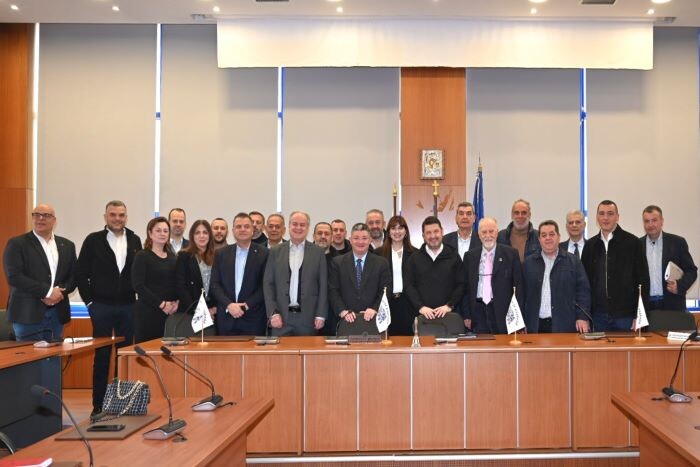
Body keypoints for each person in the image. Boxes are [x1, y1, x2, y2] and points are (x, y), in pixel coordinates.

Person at [76, 200, 142, 416]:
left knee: (124, 357)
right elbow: (80, 274)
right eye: (113, 215)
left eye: (121, 215)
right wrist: (90, 303)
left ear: (126, 217)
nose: (117, 219)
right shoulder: (93, 240)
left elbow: (138, 274)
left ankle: (121, 403)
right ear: (105, 217)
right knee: (102, 356)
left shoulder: (135, 240)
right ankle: (98, 405)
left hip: (128, 306)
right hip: (101, 307)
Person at [3, 204, 76, 341]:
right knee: (28, 354)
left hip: (57, 314)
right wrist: (48, 292)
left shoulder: (67, 245)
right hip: (26, 314)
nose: (40, 218)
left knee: (55, 354)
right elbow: (14, 277)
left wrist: (59, 293)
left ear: (54, 220)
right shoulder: (17, 243)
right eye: (37, 215)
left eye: (46, 215)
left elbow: (73, 276)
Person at [581, 200, 649, 332]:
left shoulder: (633, 243)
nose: (605, 218)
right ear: (597, 217)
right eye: (601, 214)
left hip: (626, 316)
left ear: (617, 217)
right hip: (597, 316)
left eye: (610, 214)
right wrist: (584, 315)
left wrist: (639, 315)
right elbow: (584, 285)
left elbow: (643, 281)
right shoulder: (590, 246)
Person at [264, 211, 328, 336]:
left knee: (306, 349)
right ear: (289, 226)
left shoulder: (318, 252)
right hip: (280, 317)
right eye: (295, 224)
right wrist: (272, 313)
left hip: (308, 318)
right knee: (280, 349)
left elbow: (323, 285)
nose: (298, 228)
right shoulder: (275, 251)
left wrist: (321, 314)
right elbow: (268, 284)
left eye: (302, 225)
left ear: (307, 228)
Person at [523, 220, 591, 333]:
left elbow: (583, 292)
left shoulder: (573, 261)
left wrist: (582, 317)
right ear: (539, 239)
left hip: (564, 325)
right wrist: (520, 322)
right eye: (544, 235)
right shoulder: (528, 263)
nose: (548, 238)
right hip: (535, 325)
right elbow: (521, 294)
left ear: (558, 237)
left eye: (551, 234)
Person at [211, 213, 269, 335]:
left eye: (246, 226)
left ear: (252, 230)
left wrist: (246, 305)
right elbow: (215, 284)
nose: (242, 229)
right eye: (238, 226)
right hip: (226, 317)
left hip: (253, 318)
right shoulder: (221, 254)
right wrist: (229, 305)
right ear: (233, 230)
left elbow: (265, 285)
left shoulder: (265, 254)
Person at [463, 217, 523, 334]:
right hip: (477, 312)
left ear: (497, 232)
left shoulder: (511, 254)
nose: (488, 235)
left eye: (491, 231)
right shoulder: (469, 256)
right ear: (479, 234)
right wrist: (467, 315)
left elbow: (519, 287)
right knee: (480, 344)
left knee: (503, 344)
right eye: (484, 232)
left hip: (503, 312)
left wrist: (517, 316)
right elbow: (465, 288)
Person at [404, 216, 465, 323]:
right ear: (423, 236)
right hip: (422, 317)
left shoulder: (454, 256)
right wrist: (420, 307)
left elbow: (461, 284)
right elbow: (408, 286)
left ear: (442, 232)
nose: (433, 236)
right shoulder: (414, 258)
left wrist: (449, 305)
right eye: (428, 233)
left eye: (436, 231)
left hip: (448, 316)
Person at [329, 223, 391, 327]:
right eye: (356, 238)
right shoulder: (337, 262)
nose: (360, 242)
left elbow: (385, 289)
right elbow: (333, 290)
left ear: (370, 240)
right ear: (350, 240)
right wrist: (342, 311)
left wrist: (375, 308)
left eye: (364, 238)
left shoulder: (381, 263)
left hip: (373, 319)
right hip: (345, 320)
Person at [640, 205, 697, 311]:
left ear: (662, 221)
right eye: (647, 221)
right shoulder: (637, 245)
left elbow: (691, 271)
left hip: (673, 304)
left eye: (654, 220)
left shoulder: (678, 243)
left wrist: (679, 285)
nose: (650, 225)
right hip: (646, 307)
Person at [132, 217, 178, 343]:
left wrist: (177, 302)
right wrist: (162, 304)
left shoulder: (173, 258)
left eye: (165, 231)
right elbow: (138, 286)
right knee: (148, 351)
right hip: (147, 314)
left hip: (170, 314)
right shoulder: (142, 256)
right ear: (150, 233)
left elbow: (178, 283)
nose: (162, 234)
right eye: (158, 230)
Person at [375, 215, 417, 335]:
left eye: (400, 228)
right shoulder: (378, 253)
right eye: (393, 228)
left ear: (406, 231)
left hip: (408, 304)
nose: (397, 232)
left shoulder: (415, 253)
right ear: (388, 232)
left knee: (407, 339)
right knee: (386, 339)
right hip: (385, 303)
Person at [175, 220, 217, 317]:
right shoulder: (184, 256)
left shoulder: (217, 256)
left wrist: (216, 308)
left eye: (205, 232)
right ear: (192, 236)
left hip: (212, 310)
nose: (201, 236)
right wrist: (197, 310)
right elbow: (180, 286)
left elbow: (219, 284)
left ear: (210, 236)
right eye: (197, 233)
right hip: (191, 310)